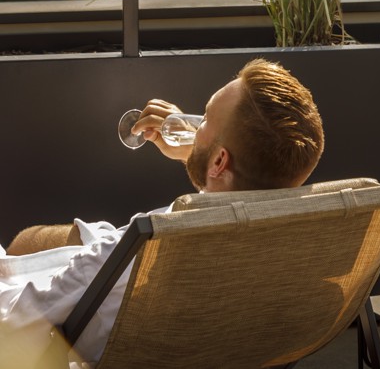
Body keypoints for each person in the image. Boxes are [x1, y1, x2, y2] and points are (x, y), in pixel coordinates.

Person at [0, 58, 325, 365]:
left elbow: (12, 323)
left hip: (101, 299)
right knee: (32, 242)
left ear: (220, 161)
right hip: (203, 344)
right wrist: (198, 153)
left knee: (18, 248)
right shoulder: (296, 244)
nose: (194, 124)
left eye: (206, 119)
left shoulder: (143, 244)